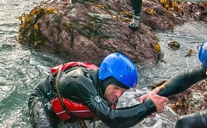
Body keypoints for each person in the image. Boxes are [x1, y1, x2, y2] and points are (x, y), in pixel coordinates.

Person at [28, 53, 169, 128]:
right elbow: (112, 119)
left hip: (71, 108)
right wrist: (148, 106)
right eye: (116, 88)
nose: (119, 94)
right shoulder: (80, 80)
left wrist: (143, 111)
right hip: (43, 99)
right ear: (105, 79)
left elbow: (116, 119)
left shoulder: (107, 89)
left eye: (124, 91)